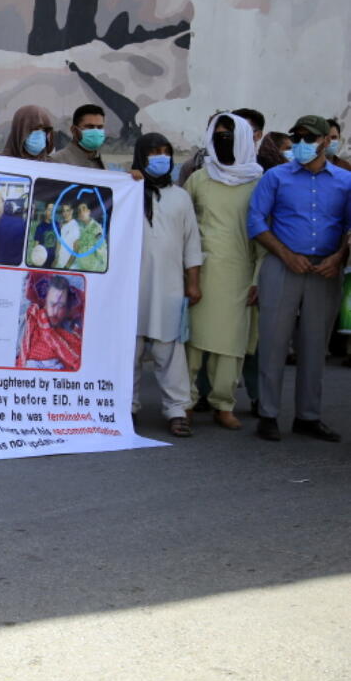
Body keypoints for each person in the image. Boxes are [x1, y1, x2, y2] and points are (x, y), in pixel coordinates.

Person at [250, 115, 351, 442]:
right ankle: (268, 413)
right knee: (273, 340)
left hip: (325, 269)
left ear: (325, 141)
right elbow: (255, 221)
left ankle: (308, 415)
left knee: (314, 344)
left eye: (310, 138)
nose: (302, 144)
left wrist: (338, 258)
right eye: (298, 138)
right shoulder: (275, 177)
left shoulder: (344, 181)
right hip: (283, 264)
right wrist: (285, 254)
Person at [183, 112, 262, 430]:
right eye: (218, 133)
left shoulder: (259, 181)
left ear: (243, 138)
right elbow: (183, 226)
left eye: (229, 134)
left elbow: (264, 234)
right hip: (199, 272)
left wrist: (258, 278)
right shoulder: (198, 179)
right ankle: (183, 402)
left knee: (231, 345)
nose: (223, 139)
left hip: (239, 273)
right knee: (193, 342)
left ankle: (223, 404)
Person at [131, 133, 204, 437]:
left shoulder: (180, 197)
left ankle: (177, 409)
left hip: (169, 286)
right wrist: (126, 181)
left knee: (169, 349)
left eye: (165, 152)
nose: (160, 157)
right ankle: (126, 406)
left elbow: (192, 243)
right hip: (131, 287)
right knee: (130, 349)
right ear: (141, 157)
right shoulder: (127, 191)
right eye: (153, 152)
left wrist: (194, 282)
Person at [16, 274, 83, 370]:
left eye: (61, 306)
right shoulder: (28, 320)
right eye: (53, 304)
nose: (55, 312)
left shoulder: (71, 334)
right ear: (45, 301)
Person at [50, 104, 106, 168]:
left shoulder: (104, 164)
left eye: (100, 127)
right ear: (74, 130)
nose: (96, 131)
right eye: (90, 127)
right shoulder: (56, 161)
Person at [71, 199, 108, 272]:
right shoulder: (81, 228)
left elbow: (102, 247)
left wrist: (102, 268)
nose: (81, 212)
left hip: (93, 269)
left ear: (89, 211)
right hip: (82, 267)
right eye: (79, 211)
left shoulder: (96, 228)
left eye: (84, 209)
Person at [53, 202, 81, 270]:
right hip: (59, 264)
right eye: (63, 211)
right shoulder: (62, 225)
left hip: (68, 267)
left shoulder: (75, 226)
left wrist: (67, 267)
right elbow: (59, 243)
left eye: (67, 210)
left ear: (71, 211)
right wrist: (55, 260)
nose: (65, 213)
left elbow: (76, 249)